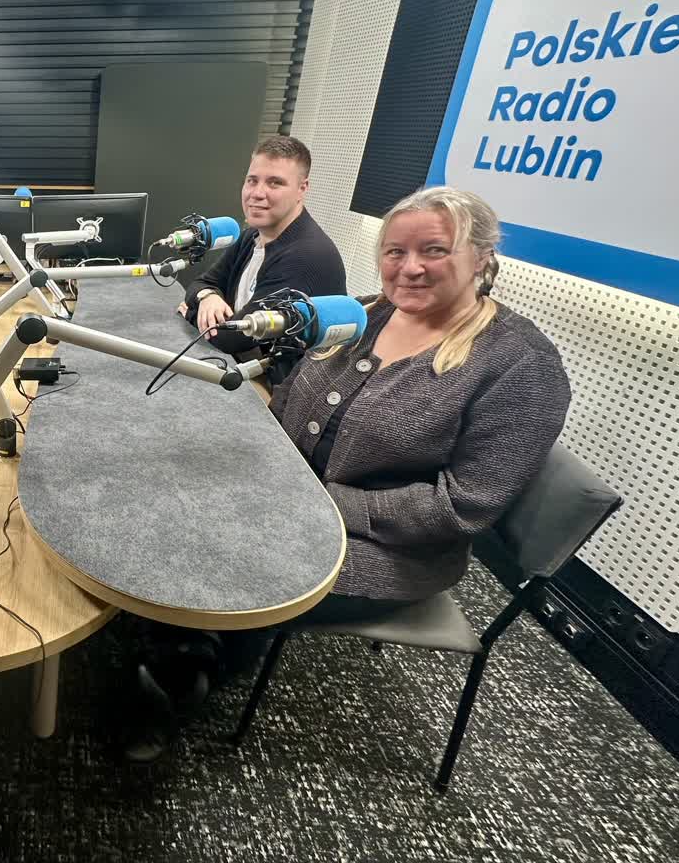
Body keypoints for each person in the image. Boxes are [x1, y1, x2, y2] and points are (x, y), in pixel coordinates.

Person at [126, 187, 571, 761]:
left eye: (434, 250)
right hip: (289, 492)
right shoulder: (363, 314)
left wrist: (312, 501)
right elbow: (289, 396)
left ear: (482, 257)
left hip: (387, 549)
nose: (409, 267)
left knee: (216, 550)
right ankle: (179, 634)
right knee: (178, 493)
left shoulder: (521, 365)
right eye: (395, 251)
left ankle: (182, 674)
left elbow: (462, 508)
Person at [178, 136, 346, 369]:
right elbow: (202, 282)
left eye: (274, 183)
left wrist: (190, 311)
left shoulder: (306, 256)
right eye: (252, 180)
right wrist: (207, 297)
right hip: (245, 364)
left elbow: (231, 338)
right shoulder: (252, 235)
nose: (257, 193)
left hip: (276, 386)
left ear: (302, 189)